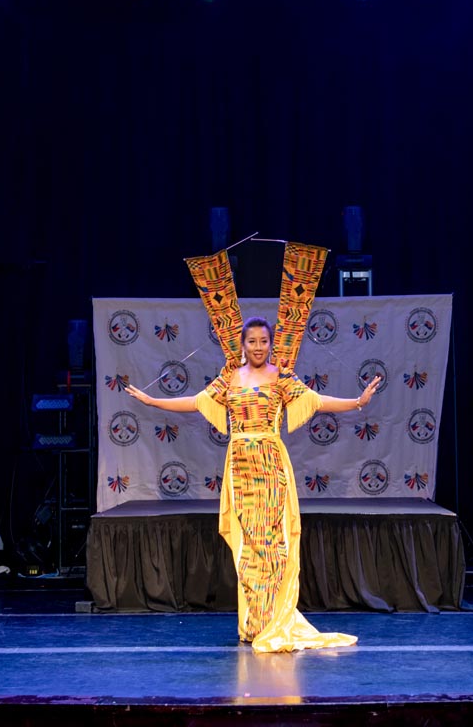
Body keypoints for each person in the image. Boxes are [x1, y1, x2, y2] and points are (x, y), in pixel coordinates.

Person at [125, 242, 382, 654]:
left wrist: (356, 402)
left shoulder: (281, 377)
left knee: (273, 543)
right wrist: (153, 401)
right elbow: (197, 402)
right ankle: (254, 622)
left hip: (271, 462)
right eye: (252, 341)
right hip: (240, 464)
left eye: (264, 341)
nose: (258, 347)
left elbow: (315, 400)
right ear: (242, 344)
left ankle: (276, 620)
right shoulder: (230, 378)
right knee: (248, 546)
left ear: (270, 344)